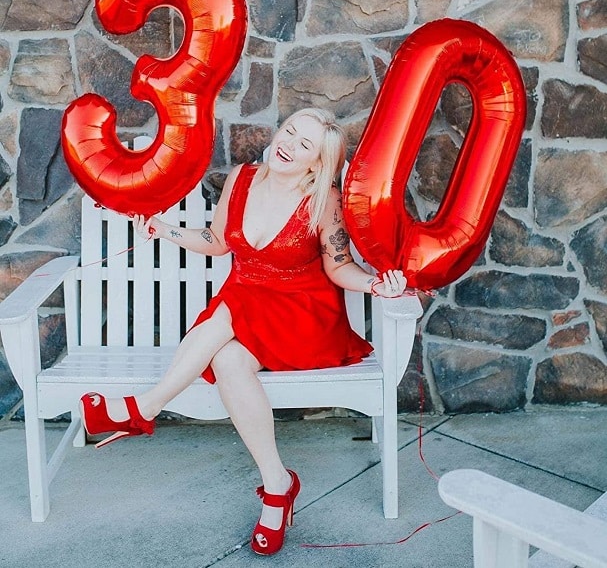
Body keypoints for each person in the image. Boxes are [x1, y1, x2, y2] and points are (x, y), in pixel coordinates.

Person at [79, 107, 407, 555]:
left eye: (304, 144)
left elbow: (339, 265)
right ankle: (278, 485)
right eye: (289, 131)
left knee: (230, 310)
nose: (288, 144)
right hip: (244, 308)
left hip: (301, 314)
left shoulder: (324, 200)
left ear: (317, 162)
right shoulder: (243, 177)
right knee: (228, 357)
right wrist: (164, 228)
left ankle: (145, 407)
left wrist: (375, 285)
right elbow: (217, 242)